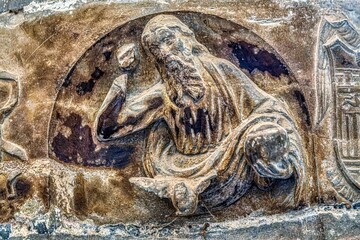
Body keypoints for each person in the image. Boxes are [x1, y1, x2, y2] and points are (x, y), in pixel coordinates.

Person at [96, 15, 305, 216]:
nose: (165, 52)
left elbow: (267, 105)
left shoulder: (223, 71)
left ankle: (277, 192)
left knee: (267, 135)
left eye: (168, 40)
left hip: (231, 158)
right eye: (155, 49)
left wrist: (267, 131)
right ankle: (186, 190)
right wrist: (121, 82)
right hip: (183, 168)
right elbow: (107, 130)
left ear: (186, 38)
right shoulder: (161, 95)